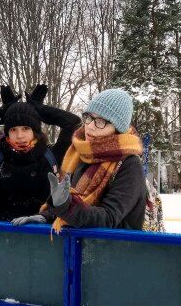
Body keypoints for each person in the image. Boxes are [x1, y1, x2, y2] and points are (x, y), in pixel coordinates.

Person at [11, 88, 146, 231]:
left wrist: (66, 206)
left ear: (118, 128)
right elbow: (68, 203)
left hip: (118, 249)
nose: (90, 126)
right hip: (78, 246)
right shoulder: (80, 153)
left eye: (101, 121)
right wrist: (46, 216)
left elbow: (109, 218)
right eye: (89, 117)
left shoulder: (129, 164)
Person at [0, 84, 80, 222]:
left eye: (25, 128)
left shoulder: (51, 156)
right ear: (7, 133)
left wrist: (38, 109)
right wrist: (5, 111)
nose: (19, 136)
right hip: (1, 234)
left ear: (35, 131)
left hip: (44, 235)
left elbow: (74, 124)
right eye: (13, 130)